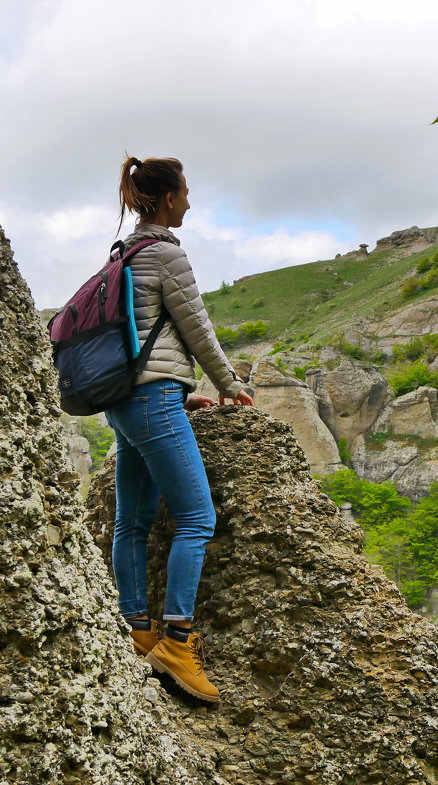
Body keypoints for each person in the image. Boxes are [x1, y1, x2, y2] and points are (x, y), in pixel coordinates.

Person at [105, 155, 252, 702]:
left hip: (121, 399)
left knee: (133, 523)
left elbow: (138, 333)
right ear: (168, 199)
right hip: (152, 399)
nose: (189, 201)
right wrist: (229, 382)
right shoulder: (166, 253)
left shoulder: (124, 252)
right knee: (197, 518)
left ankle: (136, 628)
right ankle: (177, 643)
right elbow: (194, 325)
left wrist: (178, 387)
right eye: (186, 192)